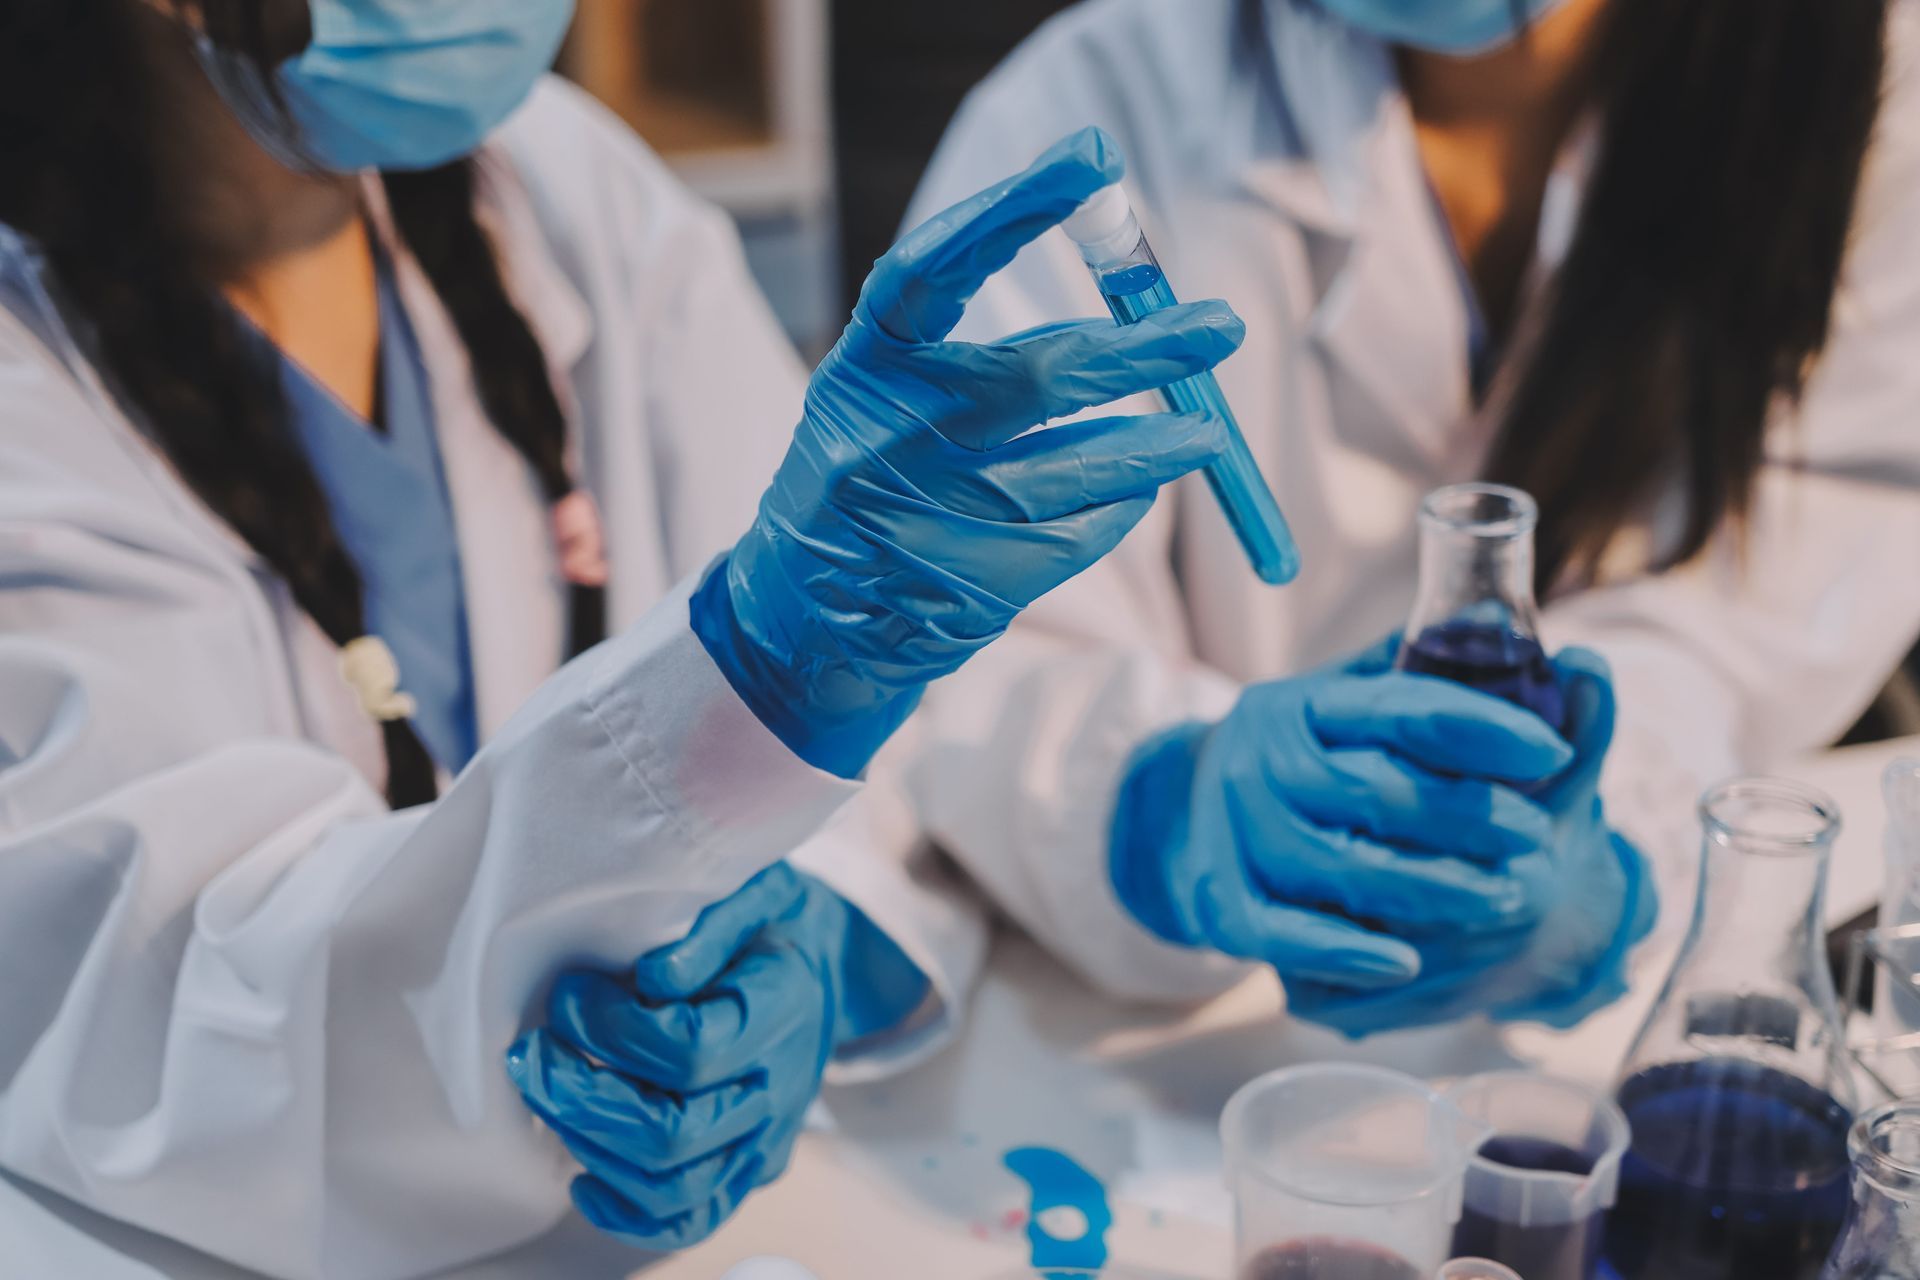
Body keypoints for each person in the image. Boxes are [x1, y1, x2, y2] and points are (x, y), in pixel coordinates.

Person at [0, 0, 1248, 1274]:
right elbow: (150, 1006)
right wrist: (755, 668)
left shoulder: (557, 182)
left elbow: (895, 764)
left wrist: (800, 936)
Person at [866, 0, 1920, 1022]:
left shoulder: (1869, 81)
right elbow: (961, 640)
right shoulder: (1098, 99)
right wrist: (1169, 809)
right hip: (1160, 1028)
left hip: (1600, 1021)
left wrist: (1604, 836)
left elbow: (1772, 594)